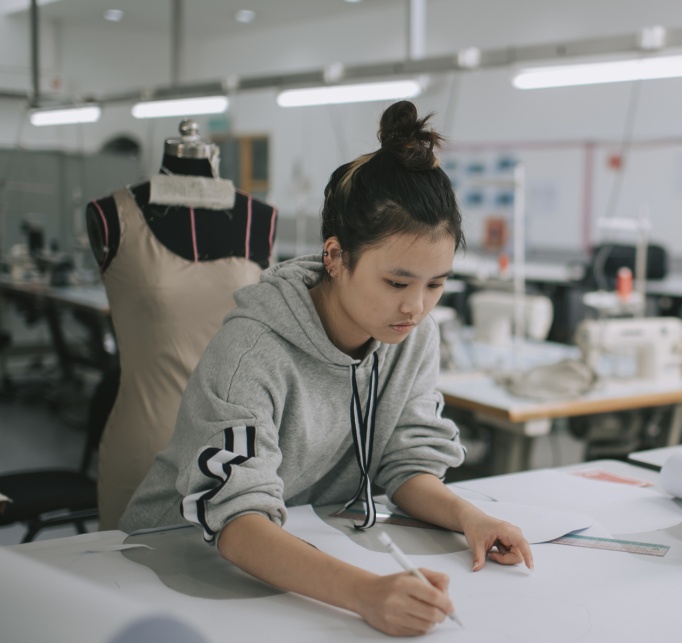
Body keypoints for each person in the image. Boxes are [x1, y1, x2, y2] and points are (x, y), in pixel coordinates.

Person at [120, 101, 532, 637]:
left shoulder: (411, 336)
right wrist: (365, 593)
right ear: (335, 257)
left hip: (298, 551)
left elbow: (406, 463)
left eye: (436, 284)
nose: (417, 307)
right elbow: (237, 518)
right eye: (397, 283)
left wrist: (469, 517)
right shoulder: (253, 351)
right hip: (170, 558)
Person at [87, 119, 276, 530]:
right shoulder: (112, 213)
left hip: (232, 449)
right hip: (144, 441)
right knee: (122, 580)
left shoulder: (256, 218)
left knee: (226, 580)